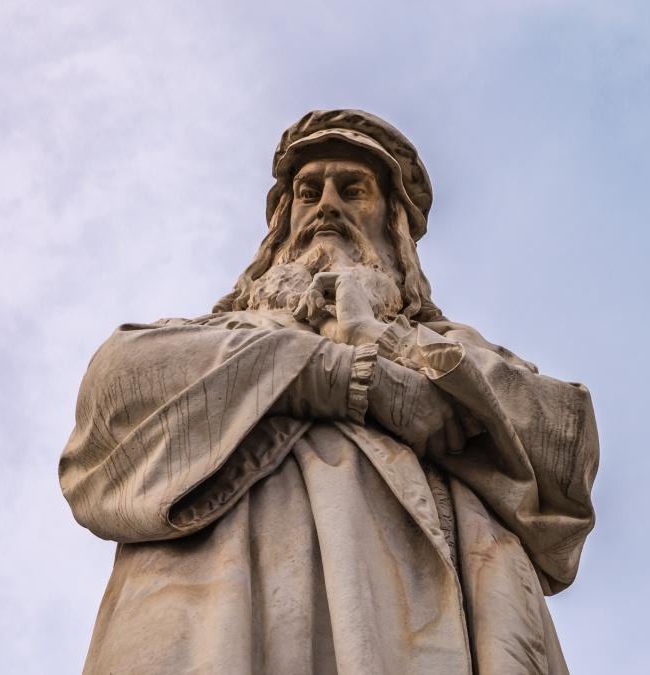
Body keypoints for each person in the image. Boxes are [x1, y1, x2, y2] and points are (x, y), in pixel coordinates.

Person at [59, 109, 600, 674]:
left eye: (353, 189)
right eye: (308, 191)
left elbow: (564, 450)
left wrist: (384, 340)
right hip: (222, 604)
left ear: (392, 224)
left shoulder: (446, 349)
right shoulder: (214, 336)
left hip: (418, 610)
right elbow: (112, 394)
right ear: (282, 221)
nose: (328, 206)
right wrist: (341, 377)